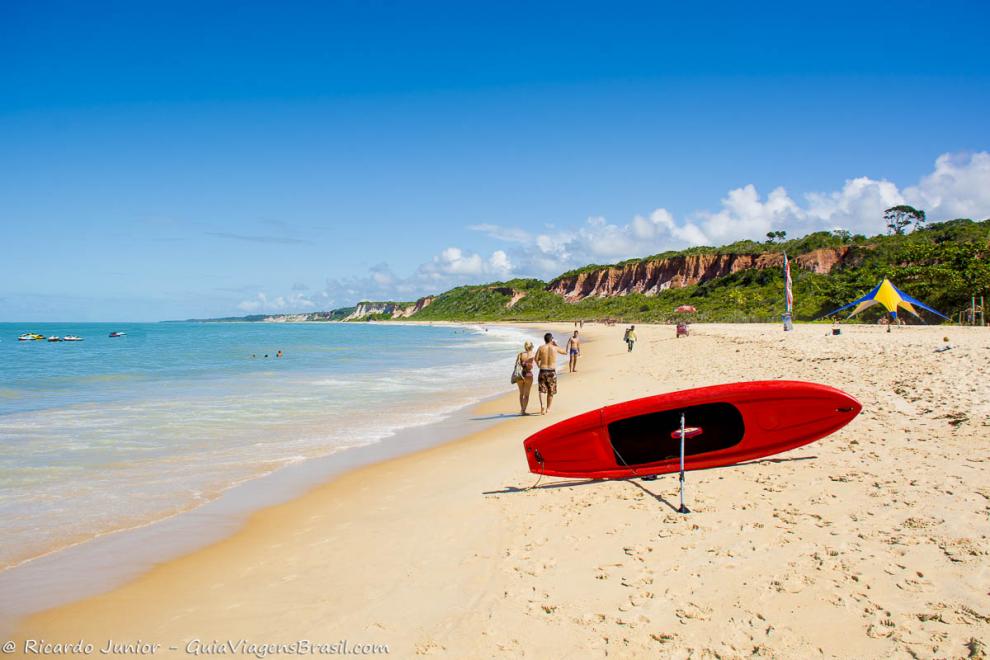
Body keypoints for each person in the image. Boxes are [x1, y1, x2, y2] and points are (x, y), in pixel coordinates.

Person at [535, 332, 567, 415]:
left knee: (542, 390)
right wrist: (556, 345)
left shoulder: (541, 348)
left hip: (543, 370)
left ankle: (542, 405)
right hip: (552, 372)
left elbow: (536, 358)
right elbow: (565, 352)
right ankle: (548, 409)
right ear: (551, 339)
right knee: (551, 391)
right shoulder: (555, 348)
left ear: (544, 340)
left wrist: (539, 365)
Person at [514, 341, 536, 414]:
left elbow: (516, 365)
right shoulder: (533, 354)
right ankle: (523, 410)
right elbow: (535, 363)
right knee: (526, 395)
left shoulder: (520, 354)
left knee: (521, 394)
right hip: (528, 375)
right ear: (532, 347)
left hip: (520, 375)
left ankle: (522, 410)